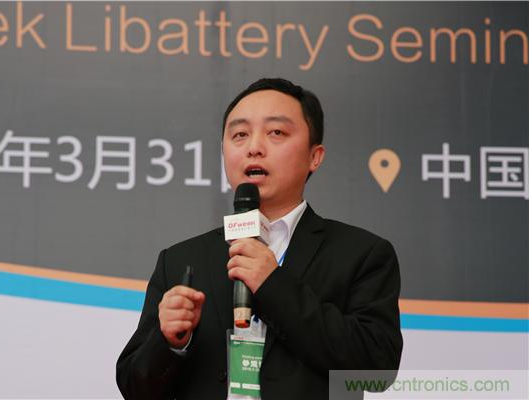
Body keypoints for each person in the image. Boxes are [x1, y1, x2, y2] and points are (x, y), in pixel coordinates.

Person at [116, 78, 403, 399]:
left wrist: (273, 284)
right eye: (240, 134)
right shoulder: (181, 260)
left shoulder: (361, 253)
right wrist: (170, 342)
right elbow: (134, 387)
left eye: (276, 132)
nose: (254, 147)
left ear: (315, 156)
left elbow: (377, 371)